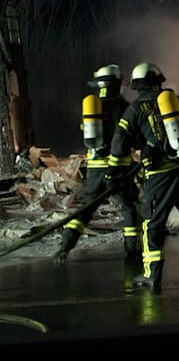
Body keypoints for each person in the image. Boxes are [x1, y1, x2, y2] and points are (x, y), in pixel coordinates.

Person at [105, 62, 179, 291]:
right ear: (159, 81)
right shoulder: (178, 102)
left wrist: (113, 173)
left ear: (137, 86)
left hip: (161, 175)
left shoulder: (135, 109)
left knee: (152, 224)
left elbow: (119, 141)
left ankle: (152, 276)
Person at [53, 64, 141, 265]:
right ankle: (131, 251)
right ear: (117, 84)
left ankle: (65, 247)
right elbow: (134, 139)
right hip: (120, 169)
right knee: (129, 209)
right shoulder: (126, 108)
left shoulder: (93, 106)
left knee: (85, 209)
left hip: (95, 170)